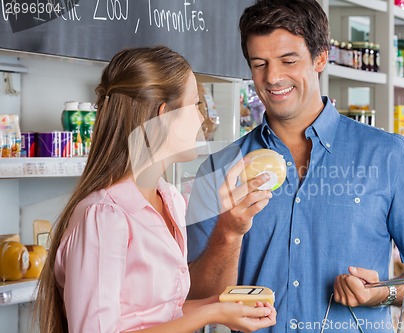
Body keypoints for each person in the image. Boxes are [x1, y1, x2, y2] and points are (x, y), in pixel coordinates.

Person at [186, 0, 404, 332]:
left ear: (321, 57)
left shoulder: (389, 155)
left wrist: (381, 293)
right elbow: (194, 297)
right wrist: (227, 233)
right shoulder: (219, 169)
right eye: (259, 64)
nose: (272, 77)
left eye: (288, 60)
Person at [35, 46, 276, 333]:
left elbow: (158, 313)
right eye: (196, 104)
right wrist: (207, 314)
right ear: (164, 116)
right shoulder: (104, 216)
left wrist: (218, 306)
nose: (202, 118)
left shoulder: (170, 199)